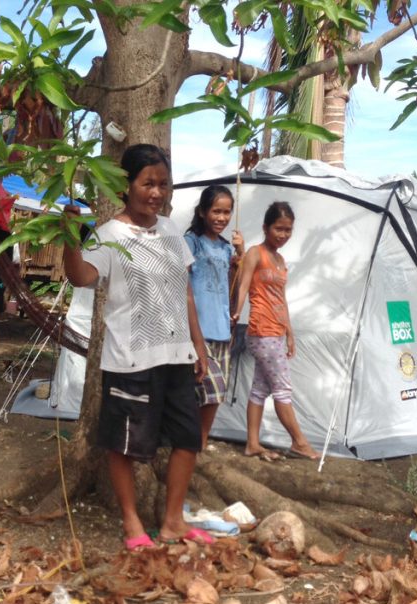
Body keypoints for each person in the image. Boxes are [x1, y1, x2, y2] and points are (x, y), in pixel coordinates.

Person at [62, 143, 214, 551]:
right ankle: (132, 524)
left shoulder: (171, 233)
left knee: (187, 438)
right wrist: (67, 238)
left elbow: (184, 294)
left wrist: (198, 346)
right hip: (130, 359)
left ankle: (173, 522)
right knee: (124, 445)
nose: (157, 193)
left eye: (163, 184)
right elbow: (81, 277)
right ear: (126, 186)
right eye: (148, 183)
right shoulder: (109, 236)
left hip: (176, 355)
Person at [232, 201, 319, 462]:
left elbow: (281, 298)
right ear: (265, 227)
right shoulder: (255, 254)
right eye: (278, 229)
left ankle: (252, 444)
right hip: (261, 330)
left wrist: (290, 333)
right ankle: (300, 443)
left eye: (288, 230)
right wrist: (235, 315)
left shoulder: (281, 260)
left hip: (277, 332)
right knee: (282, 389)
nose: (283, 235)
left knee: (260, 389)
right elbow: (243, 286)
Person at [184, 185, 244, 450]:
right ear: (202, 212)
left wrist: (241, 255)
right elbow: (181, 282)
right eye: (216, 211)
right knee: (209, 390)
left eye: (227, 212)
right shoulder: (191, 241)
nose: (222, 218)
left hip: (222, 330)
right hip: (198, 329)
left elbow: (236, 283)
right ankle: (192, 444)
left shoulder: (226, 248)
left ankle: (199, 443)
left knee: (212, 397)